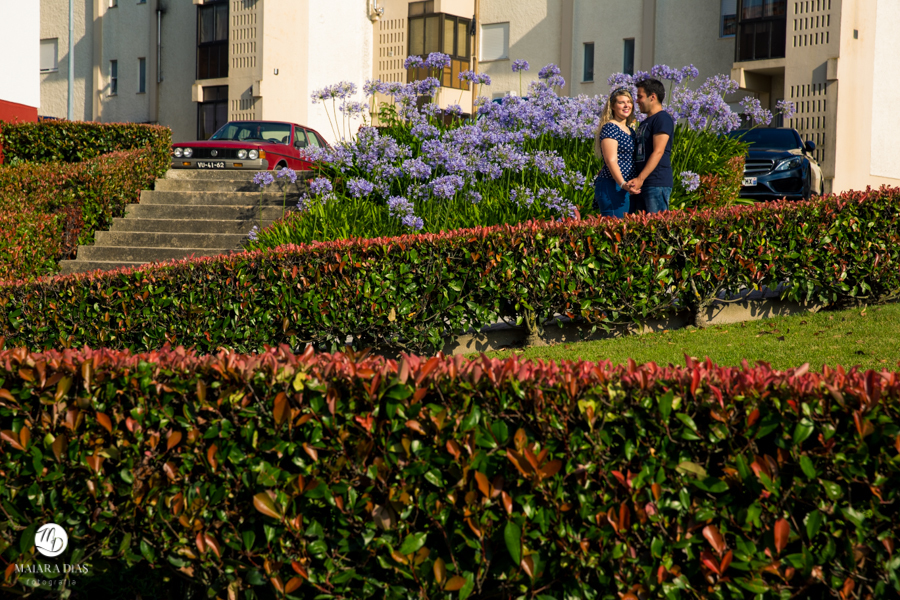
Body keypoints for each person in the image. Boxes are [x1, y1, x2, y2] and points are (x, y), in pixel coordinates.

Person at [627, 78, 675, 213]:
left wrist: (640, 179)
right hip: (643, 184)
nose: (636, 101)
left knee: (655, 230)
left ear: (652, 97)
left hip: (656, 183)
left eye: (640, 96)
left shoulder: (662, 118)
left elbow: (658, 151)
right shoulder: (645, 123)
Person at [593, 88, 637, 218]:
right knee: (615, 231)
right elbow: (611, 160)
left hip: (626, 188)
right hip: (613, 186)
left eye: (629, 102)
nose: (626, 105)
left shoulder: (630, 130)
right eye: (621, 102)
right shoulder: (610, 127)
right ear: (612, 106)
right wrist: (622, 184)